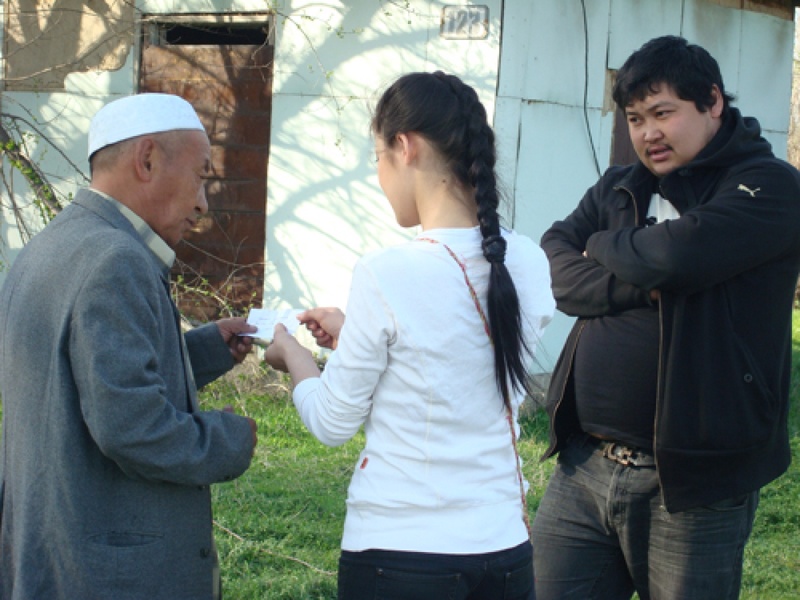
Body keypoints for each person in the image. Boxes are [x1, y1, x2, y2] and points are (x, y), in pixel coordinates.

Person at [264, 71, 554, 600]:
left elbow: (331, 422)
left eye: (378, 157)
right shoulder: (530, 262)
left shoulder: (388, 273)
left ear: (405, 147)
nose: (378, 175)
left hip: (401, 555)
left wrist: (293, 354)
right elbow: (458, 365)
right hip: (505, 552)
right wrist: (357, 334)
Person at [532, 35, 800, 600]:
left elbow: (676, 257)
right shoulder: (620, 185)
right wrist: (646, 286)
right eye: (634, 119)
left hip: (694, 483)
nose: (647, 133)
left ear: (712, 101)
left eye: (662, 113)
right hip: (584, 465)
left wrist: (600, 244)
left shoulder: (768, 186)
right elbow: (553, 263)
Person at [0, 93, 259, 600]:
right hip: (106, 577)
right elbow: (132, 428)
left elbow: (79, 379)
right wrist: (228, 440)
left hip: (48, 556)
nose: (203, 203)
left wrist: (204, 351)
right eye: (200, 176)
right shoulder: (116, 260)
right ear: (147, 160)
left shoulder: (49, 246)